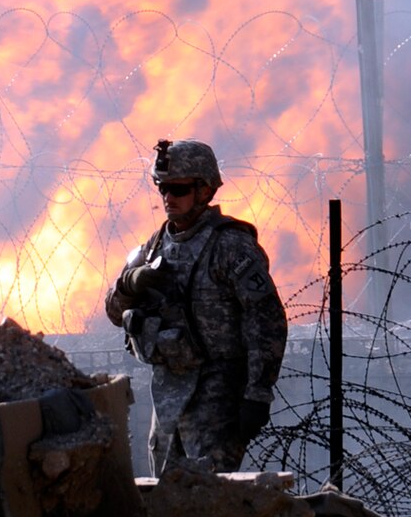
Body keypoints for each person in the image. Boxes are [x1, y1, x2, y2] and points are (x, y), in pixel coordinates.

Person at [105, 138, 287, 476]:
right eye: (162, 188)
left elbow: (266, 320)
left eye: (178, 189)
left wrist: (258, 392)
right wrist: (131, 283)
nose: (168, 198)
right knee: (166, 501)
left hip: (216, 395)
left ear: (204, 191)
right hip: (168, 396)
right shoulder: (156, 245)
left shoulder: (230, 246)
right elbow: (114, 313)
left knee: (212, 502)